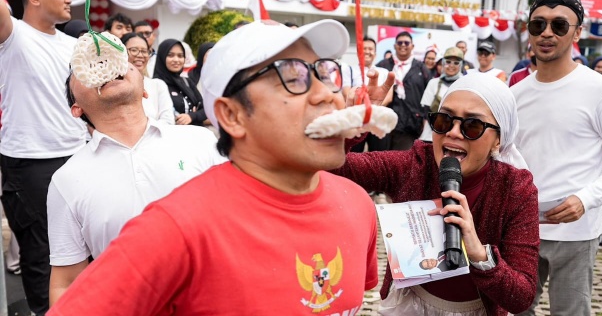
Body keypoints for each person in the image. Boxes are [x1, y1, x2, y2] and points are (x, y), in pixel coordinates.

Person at [49, 20, 385, 314]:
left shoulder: (357, 205)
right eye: (292, 75)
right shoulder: (172, 230)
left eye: (324, 72)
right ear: (231, 116)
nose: (327, 94)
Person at [332, 73, 538, 316]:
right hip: (409, 305)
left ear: (498, 141)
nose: (453, 132)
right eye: (443, 120)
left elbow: (521, 296)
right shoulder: (415, 164)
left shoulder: (516, 188)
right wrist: (352, 128)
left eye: (472, 125)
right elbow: (334, 168)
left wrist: (478, 253)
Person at [513, 0, 602, 316]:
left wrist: (585, 200)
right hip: (521, 226)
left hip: (575, 228)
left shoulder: (601, 90)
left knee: (570, 311)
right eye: (538, 24)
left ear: (577, 32)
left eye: (559, 25)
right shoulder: (515, 93)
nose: (547, 33)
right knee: (513, 309)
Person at [48, 63, 224, 304]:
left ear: (144, 90)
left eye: (118, 62)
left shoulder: (200, 140)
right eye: (87, 68)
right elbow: (66, 282)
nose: (105, 67)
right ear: (76, 108)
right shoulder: (66, 179)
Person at [0, 0, 88, 312]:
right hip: (30, 162)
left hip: (80, 154)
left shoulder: (74, 44)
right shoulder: (14, 35)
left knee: (78, 246)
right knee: (42, 252)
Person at [376, 31, 431, 150]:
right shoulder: (383, 65)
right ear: (395, 45)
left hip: (410, 125)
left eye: (406, 43)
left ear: (412, 46)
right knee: (379, 161)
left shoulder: (421, 68)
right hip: (383, 125)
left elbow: (428, 96)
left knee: (401, 163)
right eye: (399, 42)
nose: (403, 45)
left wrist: (424, 118)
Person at [120, 33, 174, 124]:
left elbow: (168, 121)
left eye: (145, 51)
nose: (140, 55)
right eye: (134, 50)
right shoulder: (113, 85)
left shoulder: (158, 85)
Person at [153, 39, 207, 126]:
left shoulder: (186, 81)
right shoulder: (155, 85)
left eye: (180, 56)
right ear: (162, 57)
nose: (176, 60)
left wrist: (191, 116)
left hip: (194, 135)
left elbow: (206, 109)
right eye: (170, 55)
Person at [419, 47, 463, 142]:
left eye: (456, 63)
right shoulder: (433, 83)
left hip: (454, 137)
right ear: (443, 63)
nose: (451, 65)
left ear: (461, 65)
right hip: (430, 136)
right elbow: (426, 110)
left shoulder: (465, 84)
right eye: (448, 62)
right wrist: (439, 129)